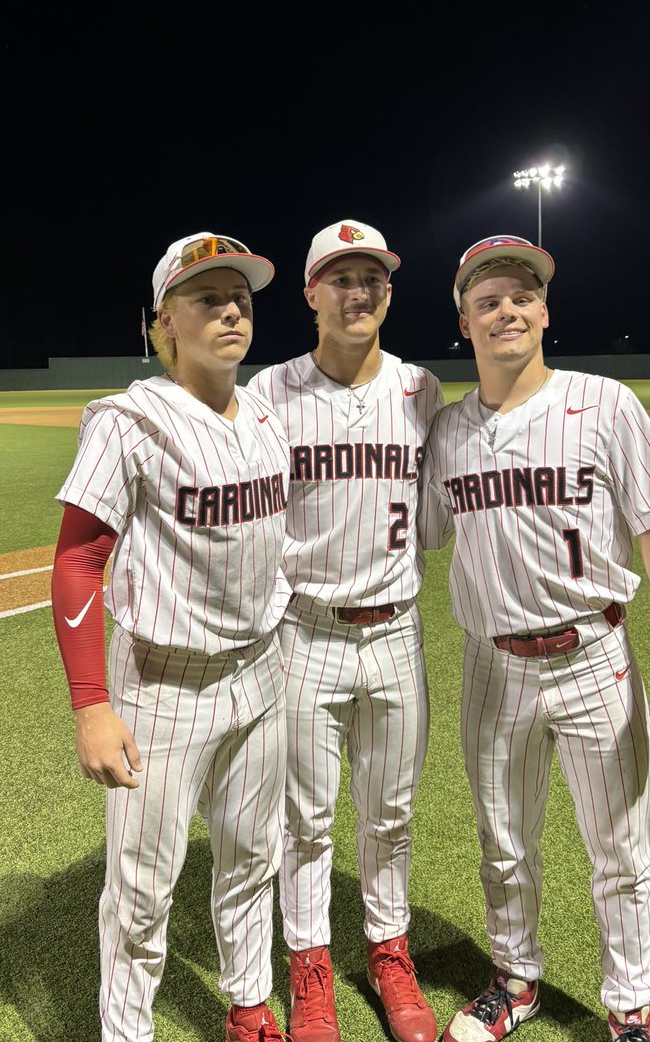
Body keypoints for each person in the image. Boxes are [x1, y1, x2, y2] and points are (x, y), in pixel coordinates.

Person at [419, 235, 650, 1042]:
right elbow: (424, 533)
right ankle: (515, 979)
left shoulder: (605, 403)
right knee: (503, 841)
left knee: (620, 850)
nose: (506, 309)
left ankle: (630, 1007)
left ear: (544, 312)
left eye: (520, 295)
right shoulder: (446, 433)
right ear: (465, 325)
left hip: (592, 656)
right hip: (490, 664)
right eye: (487, 300)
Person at [50, 232, 293, 1042]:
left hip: (261, 674)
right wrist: (92, 703)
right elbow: (80, 562)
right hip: (164, 686)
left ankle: (250, 1003)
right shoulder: (127, 421)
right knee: (143, 888)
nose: (230, 310)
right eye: (206, 299)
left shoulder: (263, 412)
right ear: (165, 324)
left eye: (242, 299)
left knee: (253, 858)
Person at [248, 220, 443, 1042]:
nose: (357, 292)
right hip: (305, 629)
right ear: (310, 295)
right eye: (340, 278)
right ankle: (310, 965)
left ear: (388, 293)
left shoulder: (421, 389)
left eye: (372, 278)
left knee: (390, 812)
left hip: (396, 630)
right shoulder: (270, 392)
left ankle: (389, 952)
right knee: (305, 818)